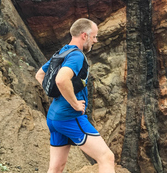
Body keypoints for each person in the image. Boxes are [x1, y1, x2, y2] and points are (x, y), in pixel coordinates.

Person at [35, 18, 115, 173]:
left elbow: (40, 74)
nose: (95, 41)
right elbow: (61, 79)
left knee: (56, 167)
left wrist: (58, 97)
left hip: (54, 117)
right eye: (94, 37)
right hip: (69, 117)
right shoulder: (77, 56)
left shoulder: (63, 51)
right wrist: (74, 104)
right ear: (84, 35)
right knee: (106, 157)